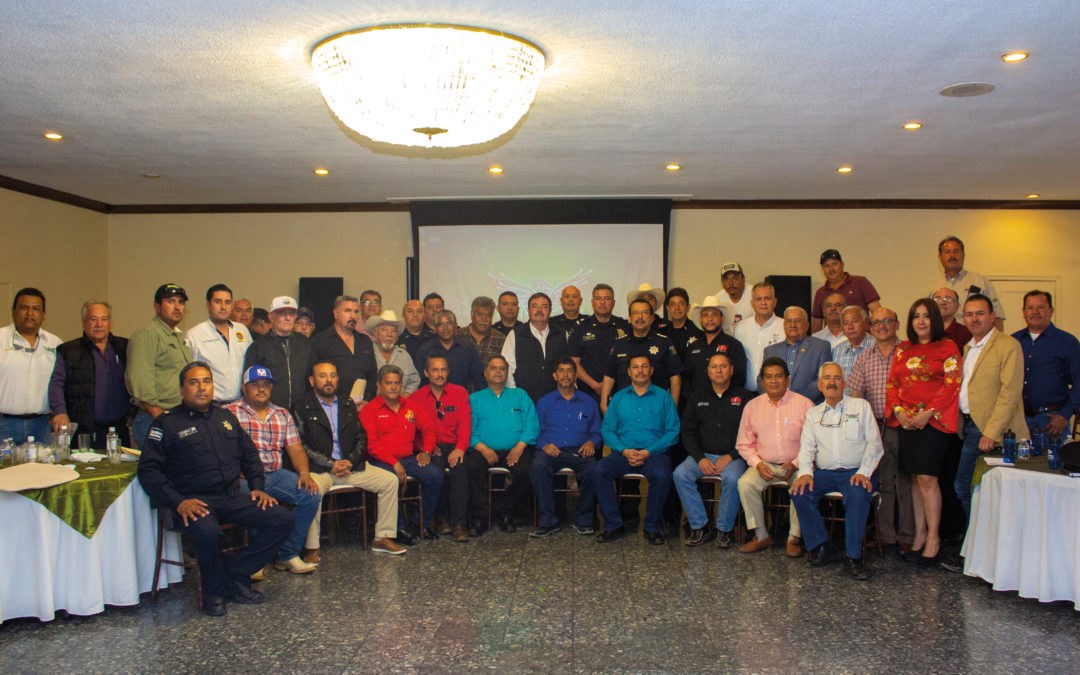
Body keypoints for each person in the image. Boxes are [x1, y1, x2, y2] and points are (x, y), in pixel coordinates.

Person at [137, 362, 294, 617]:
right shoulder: (166, 423)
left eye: (207, 381)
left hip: (229, 497)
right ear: (181, 389)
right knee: (208, 531)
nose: (202, 388)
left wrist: (257, 486)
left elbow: (250, 454)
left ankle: (236, 575)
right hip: (191, 502)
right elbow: (149, 471)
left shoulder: (225, 417)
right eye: (194, 382)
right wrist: (178, 502)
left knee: (282, 518)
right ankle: (214, 592)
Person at [292, 361, 404, 559]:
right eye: (323, 375)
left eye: (333, 375)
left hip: (350, 467)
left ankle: (382, 538)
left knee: (389, 480)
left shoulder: (347, 404)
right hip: (320, 470)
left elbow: (362, 437)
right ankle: (312, 547)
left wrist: (350, 461)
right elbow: (300, 446)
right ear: (311, 380)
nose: (329, 380)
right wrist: (331, 464)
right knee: (311, 491)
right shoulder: (302, 407)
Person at [885, 297, 961, 569]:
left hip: (934, 423)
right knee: (916, 480)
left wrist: (927, 413)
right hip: (907, 423)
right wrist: (899, 411)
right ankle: (918, 536)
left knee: (928, 480)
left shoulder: (948, 347)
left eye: (926, 316)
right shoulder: (904, 348)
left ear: (935, 321)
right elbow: (893, 383)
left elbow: (953, 384)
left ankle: (934, 539)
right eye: (916, 315)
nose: (921, 321)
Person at [790, 363, 883, 580]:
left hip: (856, 472)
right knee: (799, 492)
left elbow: (875, 444)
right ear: (820, 385)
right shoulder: (813, 413)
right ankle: (821, 545)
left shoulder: (861, 407)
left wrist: (865, 472)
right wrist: (805, 473)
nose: (832, 382)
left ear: (845, 383)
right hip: (824, 473)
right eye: (827, 379)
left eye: (837, 378)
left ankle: (854, 557)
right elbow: (807, 448)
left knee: (858, 494)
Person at [226, 366, 321, 575]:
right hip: (245, 476)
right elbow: (221, 450)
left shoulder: (282, 413)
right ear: (244, 388)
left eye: (266, 385)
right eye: (255, 385)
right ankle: (256, 561)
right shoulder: (229, 413)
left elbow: (295, 448)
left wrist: (305, 474)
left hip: (276, 474)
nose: (261, 389)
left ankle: (287, 555)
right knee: (257, 502)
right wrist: (236, 471)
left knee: (311, 494)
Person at [954, 294, 1028, 519]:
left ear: (992, 316)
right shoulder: (969, 348)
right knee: (976, 488)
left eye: (980, 313)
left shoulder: (1008, 345)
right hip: (968, 425)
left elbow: (1010, 393)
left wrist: (991, 432)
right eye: (969, 314)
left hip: (988, 429)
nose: (974, 319)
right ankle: (978, 544)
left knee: (964, 486)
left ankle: (975, 546)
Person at [849, 307, 914, 554]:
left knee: (906, 482)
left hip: (906, 427)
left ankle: (907, 536)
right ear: (870, 328)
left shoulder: (910, 353)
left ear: (897, 324)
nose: (882, 325)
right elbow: (856, 396)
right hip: (876, 427)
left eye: (887, 320)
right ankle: (886, 536)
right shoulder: (865, 357)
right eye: (876, 323)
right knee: (884, 482)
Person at [595, 355, 680, 544]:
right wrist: (624, 450)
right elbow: (607, 430)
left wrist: (649, 452)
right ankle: (613, 524)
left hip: (654, 454)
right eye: (635, 367)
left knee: (662, 474)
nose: (640, 370)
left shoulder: (664, 397)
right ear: (629, 372)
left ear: (651, 370)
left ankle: (652, 527)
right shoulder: (618, 398)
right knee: (599, 470)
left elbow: (673, 431)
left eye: (644, 367)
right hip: (624, 453)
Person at [673, 351, 754, 548]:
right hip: (703, 455)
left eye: (723, 366)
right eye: (714, 367)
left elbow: (752, 433)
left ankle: (724, 529)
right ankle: (700, 526)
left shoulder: (747, 398)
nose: (719, 371)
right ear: (708, 372)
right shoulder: (696, 397)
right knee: (680, 474)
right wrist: (700, 458)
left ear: (732, 370)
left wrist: (732, 456)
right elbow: (687, 432)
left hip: (733, 457)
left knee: (734, 478)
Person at [735, 357, 814, 557]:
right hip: (765, 465)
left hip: (797, 465)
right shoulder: (752, 406)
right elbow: (743, 444)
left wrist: (797, 464)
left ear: (788, 380)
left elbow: (813, 443)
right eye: (768, 377)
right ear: (762, 382)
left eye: (779, 376)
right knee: (745, 483)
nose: (773, 381)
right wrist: (758, 464)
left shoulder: (805, 404)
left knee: (802, 485)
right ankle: (761, 535)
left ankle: (793, 538)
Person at [360, 364, 442, 538]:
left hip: (409, 459)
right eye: (388, 383)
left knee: (435, 475)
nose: (393, 387)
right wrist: (393, 463)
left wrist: (426, 450)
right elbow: (371, 444)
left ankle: (422, 523)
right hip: (380, 461)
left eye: (397, 383)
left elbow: (429, 429)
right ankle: (398, 529)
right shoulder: (369, 410)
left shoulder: (410, 406)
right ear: (379, 385)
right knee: (391, 481)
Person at [529, 357, 601, 538]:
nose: (566, 375)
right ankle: (547, 522)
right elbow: (536, 430)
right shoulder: (544, 402)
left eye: (570, 370)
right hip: (552, 450)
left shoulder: (589, 402)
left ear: (576, 375)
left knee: (594, 469)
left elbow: (598, 431)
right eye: (561, 370)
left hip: (579, 451)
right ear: (554, 375)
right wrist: (544, 445)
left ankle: (584, 520)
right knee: (538, 467)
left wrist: (592, 442)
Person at [466, 355, 538, 532]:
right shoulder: (474, 399)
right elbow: (467, 429)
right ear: (485, 373)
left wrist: (519, 447)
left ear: (507, 373)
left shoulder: (520, 395)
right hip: (483, 449)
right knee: (472, 468)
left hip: (515, 449)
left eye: (502, 368)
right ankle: (480, 518)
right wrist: (483, 448)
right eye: (493, 368)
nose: (498, 371)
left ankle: (504, 509)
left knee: (529, 472)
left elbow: (532, 424)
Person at [48, 301, 131, 449]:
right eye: (93, 319)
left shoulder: (125, 347)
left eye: (104, 319)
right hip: (85, 430)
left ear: (110, 322)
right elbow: (56, 383)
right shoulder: (68, 350)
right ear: (84, 322)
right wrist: (59, 411)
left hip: (119, 429)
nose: (99, 324)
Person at [411, 355, 474, 541]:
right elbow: (411, 430)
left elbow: (465, 424)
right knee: (434, 471)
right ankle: (438, 520)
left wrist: (460, 448)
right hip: (431, 447)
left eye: (443, 370)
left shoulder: (459, 393)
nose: (439, 374)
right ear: (426, 373)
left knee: (460, 470)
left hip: (455, 446)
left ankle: (459, 524)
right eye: (435, 370)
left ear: (448, 372)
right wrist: (425, 448)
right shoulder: (416, 398)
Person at [126, 283, 194, 448]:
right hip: (154, 417)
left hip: (178, 415)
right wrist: (157, 414)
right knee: (157, 471)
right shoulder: (148, 335)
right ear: (157, 307)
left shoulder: (177, 338)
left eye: (181, 302)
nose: (177, 307)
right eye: (171, 301)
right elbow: (139, 378)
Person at [1011, 290, 1080, 438]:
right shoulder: (1013, 341)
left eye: (1041, 307)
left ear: (1051, 311)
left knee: (1050, 461)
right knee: (1020, 461)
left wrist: (1065, 415)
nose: (1035, 312)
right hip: (1017, 421)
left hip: (1051, 423)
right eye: (1030, 308)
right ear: (1023, 312)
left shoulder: (1067, 342)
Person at [600, 298, 682, 414]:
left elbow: (675, 378)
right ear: (629, 318)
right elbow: (609, 376)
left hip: (656, 411)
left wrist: (672, 409)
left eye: (644, 313)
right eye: (635, 313)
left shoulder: (664, 343)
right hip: (625, 410)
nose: (640, 317)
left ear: (652, 317)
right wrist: (603, 404)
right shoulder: (619, 345)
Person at [1, 288, 61, 444]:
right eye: (23, 308)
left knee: (43, 468)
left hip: (42, 425)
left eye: (36, 309)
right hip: (4, 425)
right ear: (13, 312)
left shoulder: (55, 344)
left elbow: (61, 384)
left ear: (43, 314)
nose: (29, 313)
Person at [185, 284, 253, 405]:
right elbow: (190, 374)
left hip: (242, 404)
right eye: (218, 302)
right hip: (211, 405)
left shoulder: (242, 330)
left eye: (227, 302)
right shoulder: (195, 335)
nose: (223, 307)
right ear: (208, 305)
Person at [243, 296, 311, 409]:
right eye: (282, 313)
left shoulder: (305, 343)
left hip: (301, 412)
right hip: (269, 412)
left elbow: (310, 378)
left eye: (292, 313)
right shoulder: (258, 347)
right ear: (271, 317)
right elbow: (249, 384)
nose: (288, 318)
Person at [309, 295, 378, 407]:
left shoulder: (365, 341)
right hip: (331, 406)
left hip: (362, 407)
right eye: (347, 311)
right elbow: (311, 376)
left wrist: (367, 400)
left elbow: (373, 375)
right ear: (336, 314)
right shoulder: (320, 341)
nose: (353, 316)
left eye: (356, 312)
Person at [568, 284, 630, 403]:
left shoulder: (625, 326)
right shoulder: (580, 328)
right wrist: (595, 385)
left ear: (613, 302)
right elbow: (574, 363)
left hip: (621, 393)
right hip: (589, 393)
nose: (602, 302)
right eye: (598, 298)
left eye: (607, 298)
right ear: (592, 302)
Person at [502, 292, 570, 403]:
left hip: (557, 399)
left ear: (550, 310)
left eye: (544, 306)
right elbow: (507, 368)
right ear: (528, 310)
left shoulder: (562, 333)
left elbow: (570, 366)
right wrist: (515, 395)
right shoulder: (515, 334)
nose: (539, 310)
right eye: (535, 306)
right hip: (524, 400)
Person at [679, 296, 748, 394]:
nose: (710, 319)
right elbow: (686, 379)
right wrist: (694, 400)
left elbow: (739, 379)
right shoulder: (693, 347)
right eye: (705, 315)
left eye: (714, 315)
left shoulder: (734, 346)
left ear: (722, 319)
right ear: (700, 319)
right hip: (697, 405)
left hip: (725, 405)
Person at [762, 307, 831, 404]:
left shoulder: (821, 347)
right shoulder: (770, 350)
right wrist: (775, 399)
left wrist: (797, 402)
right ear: (784, 325)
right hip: (776, 406)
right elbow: (762, 379)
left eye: (797, 321)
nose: (792, 325)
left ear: (807, 325)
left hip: (809, 406)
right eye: (788, 321)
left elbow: (823, 378)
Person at [936, 235, 1005, 329]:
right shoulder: (935, 288)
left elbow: (997, 316)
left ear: (963, 255)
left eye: (956, 251)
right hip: (945, 341)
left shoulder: (980, 282)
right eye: (947, 252)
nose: (952, 255)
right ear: (940, 258)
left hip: (976, 340)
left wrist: (997, 343)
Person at [811, 249, 881, 333]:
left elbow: (877, 313)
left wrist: (877, 336)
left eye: (835, 264)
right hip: (832, 341)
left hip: (861, 339)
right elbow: (816, 325)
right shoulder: (820, 292)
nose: (831, 268)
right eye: (827, 266)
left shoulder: (860, 282)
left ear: (842, 265)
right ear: (822, 269)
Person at [415, 309, 485, 392]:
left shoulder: (467, 348)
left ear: (455, 326)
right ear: (436, 328)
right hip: (433, 400)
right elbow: (420, 381)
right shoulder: (425, 350)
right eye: (441, 324)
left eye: (449, 323)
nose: (445, 328)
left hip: (460, 399)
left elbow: (479, 378)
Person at [734, 282, 785, 393]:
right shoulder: (740, 327)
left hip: (775, 393)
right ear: (752, 303)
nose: (763, 303)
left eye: (767, 298)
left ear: (775, 302)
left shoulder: (785, 327)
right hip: (746, 393)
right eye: (758, 299)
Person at [368, 310, 420, 396]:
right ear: (375, 332)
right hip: (373, 407)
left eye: (393, 331)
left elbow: (414, 381)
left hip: (399, 407)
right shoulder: (367, 354)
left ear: (397, 334)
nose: (389, 334)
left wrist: (405, 397)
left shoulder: (404, 356)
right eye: (384, 330)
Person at [832, 305, 874, 388]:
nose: (850, 327)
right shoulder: (836, 351)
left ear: (865, 323)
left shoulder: (876, 346)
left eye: (855, 321)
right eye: (845, 323)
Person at [458, 296, 506, 368]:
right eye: (480, 315)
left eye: (488, 315)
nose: (484, 319)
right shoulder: (457, 335)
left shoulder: (501, 339)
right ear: (472, 315)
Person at [663, 288, 701, 365]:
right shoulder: (662, 334)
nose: (677, 308)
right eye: (673, 304)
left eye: (681, 304)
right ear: (668, 308)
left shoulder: (698, 333)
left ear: (688, 307)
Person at [717, 262, 753, 336]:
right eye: (726, 279)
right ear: (722, 282)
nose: (731, 283)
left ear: (743, 278)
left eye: (735, 278)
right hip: (729, 344)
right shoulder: (718, 299)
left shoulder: (754, 295)